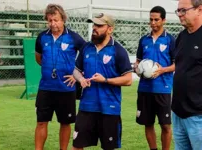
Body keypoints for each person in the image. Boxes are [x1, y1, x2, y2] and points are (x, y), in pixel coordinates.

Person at [72, 13, 133, 150]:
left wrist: (105, 80)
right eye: (94, 25)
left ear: (110, 29)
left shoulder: (118, 51)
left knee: (108, 147)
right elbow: (75, 70)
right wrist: (80, 79)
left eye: (99, 25)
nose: (95, 28)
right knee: (77, 145)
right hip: (86, 107)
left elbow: (128, 79)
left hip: (109, 108)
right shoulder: (86, 48)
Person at [34, 4, 86, 150]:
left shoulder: (74, 37)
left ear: (63, 19)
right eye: (50, 20)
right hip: (46, 87)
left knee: (65, 122)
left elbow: (87, 56)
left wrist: (77, 75)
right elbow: (39, 58)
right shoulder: (42, 37)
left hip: (66, 88)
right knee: (41, 122)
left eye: (56, 20)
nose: (53, 24)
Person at [172, 0, 202, 149]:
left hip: (200, 116)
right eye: (178, 11)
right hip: (178, 113)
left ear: (199, 9)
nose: (179, 15)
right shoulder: (181, 37)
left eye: (183, 10)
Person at [134, 6, 175, 150]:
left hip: (163, 88)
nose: (153, 22)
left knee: (165, 124)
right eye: (151, 19)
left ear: (163, 20)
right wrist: (137, 68)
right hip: (145, 88)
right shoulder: (143, 40)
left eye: (156, 19)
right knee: (148, 122)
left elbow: (177, 64)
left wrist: (162, 70)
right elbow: (138, 61)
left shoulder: (170, 40)